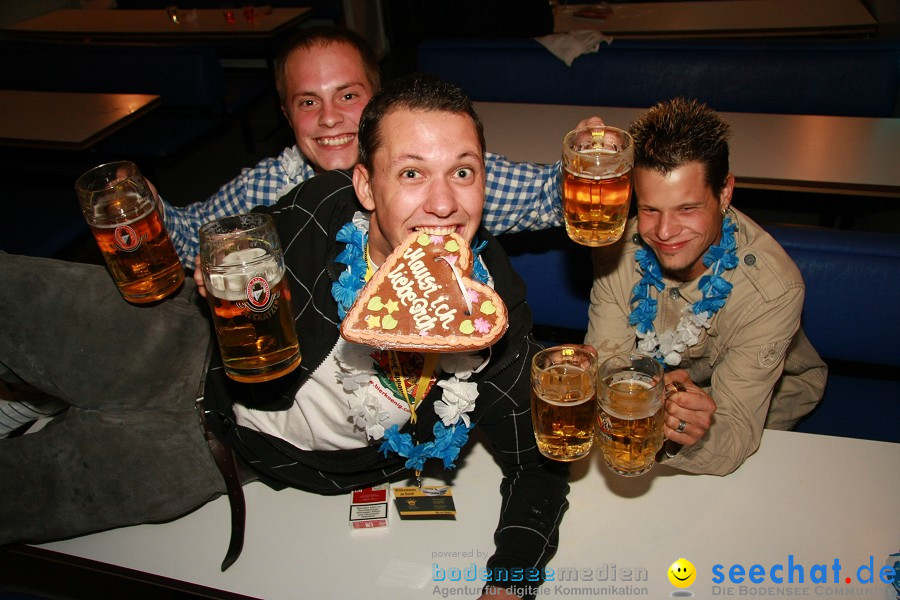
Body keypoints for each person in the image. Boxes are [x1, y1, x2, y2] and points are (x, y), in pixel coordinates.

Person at [0, 74, 569, 600]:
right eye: (412, 173)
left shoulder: (492, 319)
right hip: (175, 343)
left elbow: (536, 464)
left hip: (221, 460)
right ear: (366, 186)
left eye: (462, 172)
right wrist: (211, 265)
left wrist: (509, 583)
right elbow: (238, 242)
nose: (444, 204)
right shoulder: (318, 208)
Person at [160, 25, 583, 267]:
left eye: (348, 96)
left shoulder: (441, 175)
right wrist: (144, 207)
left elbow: (547, 194)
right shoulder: (265, 190)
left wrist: (585, 164)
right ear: (287, 117)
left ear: (378, 99)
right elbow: (191, 237)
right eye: (308, 102)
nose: (329, 118)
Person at [586, 98, 827, 476]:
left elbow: (735, 432)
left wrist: (685, 435)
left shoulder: (772, 291)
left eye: (687, 209)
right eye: (650, 209)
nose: (663, 233)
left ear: (725, 192)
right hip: (659, 401)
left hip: (766, 400)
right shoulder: (617, 251)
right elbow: (608, 371)